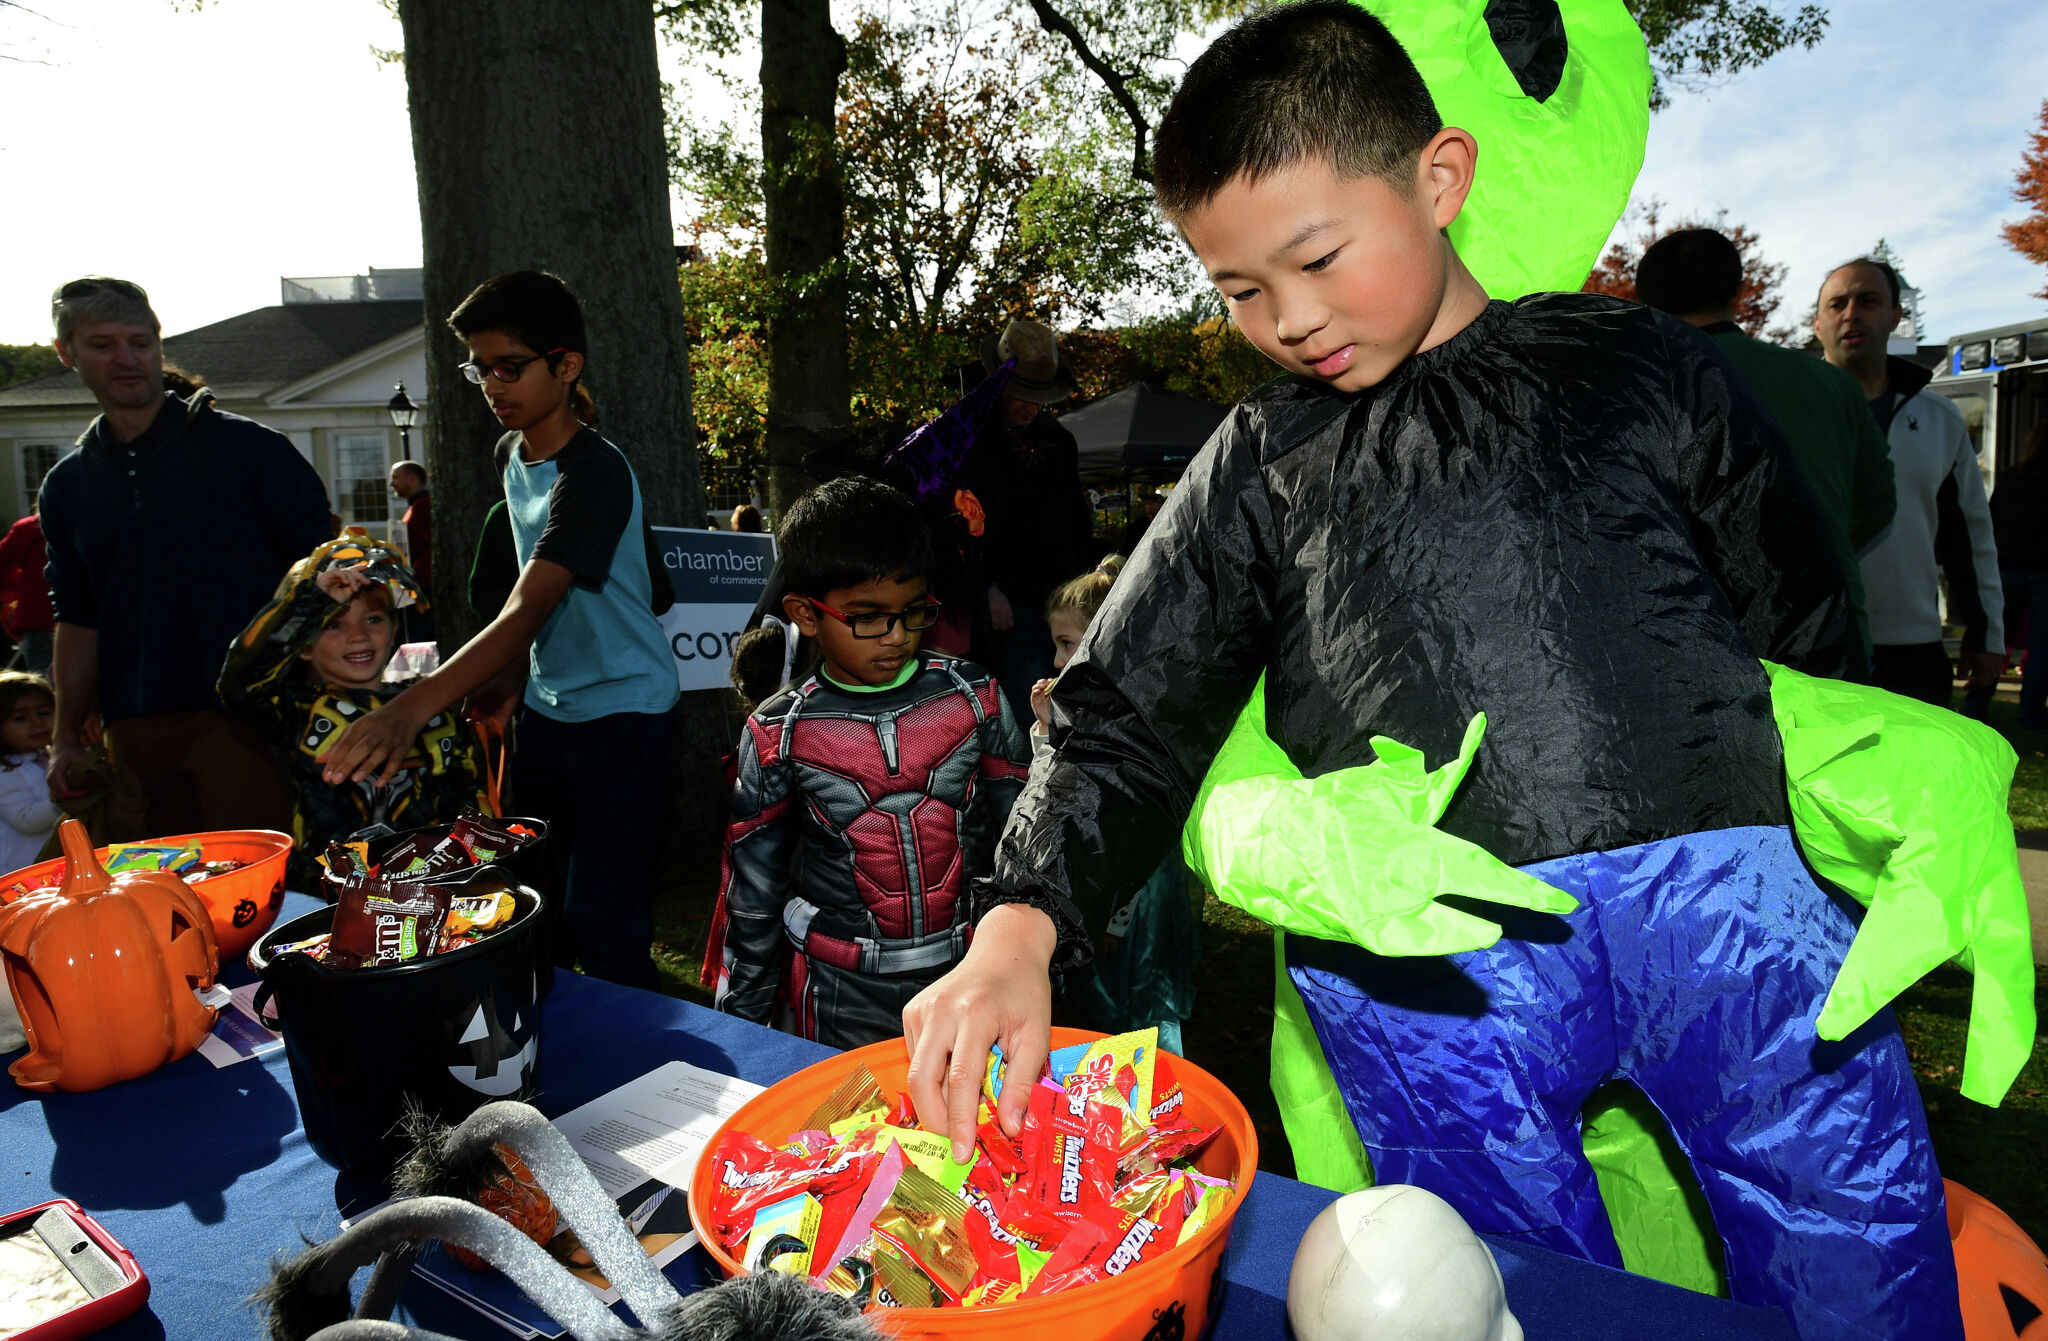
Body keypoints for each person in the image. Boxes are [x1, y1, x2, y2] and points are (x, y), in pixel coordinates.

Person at [900, 7, 1959, 1339]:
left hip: (1740, 937)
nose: (1285, 321)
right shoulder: (1259, 461)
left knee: (1858, 1260)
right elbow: (1124, 710)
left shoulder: (1646, 367)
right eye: (1234, 290)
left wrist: (1856, 829)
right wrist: (1021, 916)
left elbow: (1800, 624)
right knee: (1491, 1299)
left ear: (1439, 179)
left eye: (1316, 258)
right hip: (1436, 984)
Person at [318, 270, 680, 989]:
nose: (491, 385)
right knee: (532, 908)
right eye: (479, 368)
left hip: (628, 719)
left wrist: (415, 705)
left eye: (509, 367)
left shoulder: (597, 473)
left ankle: (639, 1082)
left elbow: (528, 609)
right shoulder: (511, 455)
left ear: (566, 364)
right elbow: (532, 600)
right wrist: (510, 682)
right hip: (549, 717)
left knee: (605, 922)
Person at [713, 478, 1030, 1049]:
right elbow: (752, 896)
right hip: (840, 993)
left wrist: (1033, 959)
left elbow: (1023, 837)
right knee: (848, 1134)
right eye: (867, 616)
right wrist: (741, 1029)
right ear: (804, 615)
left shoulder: (973, 697)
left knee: (975, 1129)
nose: (896, 635)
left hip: (968, 977)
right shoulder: (777, 732)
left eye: (913, 612)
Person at [39, 276, 332, 835]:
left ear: (158, 343)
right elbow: (76, 617)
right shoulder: (66, 485)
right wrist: (63, 738)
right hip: (133, 731)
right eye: (103, 344)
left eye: (140, 341)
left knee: (265, 900)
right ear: (66, 353)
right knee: (159, 907)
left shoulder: (252, 450)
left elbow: (325, 584)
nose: (127, 358)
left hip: (251, 723)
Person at [1635, 228, 1895, 667]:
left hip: (1689, 650)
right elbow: (1876, 505)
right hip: (1825, 637)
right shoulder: (1831, 384)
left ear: (1644, 299)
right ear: (1737, 291)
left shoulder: (1635, 387)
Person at [219, 534, 490, 889]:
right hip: (322, 897)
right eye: (334, 624)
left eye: (374, 619)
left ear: (394, 631)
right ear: (303, 647)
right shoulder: (297, 711)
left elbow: (473, 809)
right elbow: (239, 685)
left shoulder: (434, 712)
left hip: (431, 893)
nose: (358, 635)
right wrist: (310, 603)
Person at [1816, 258, 2003, 708]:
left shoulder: (1940, 419)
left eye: (1868, 300)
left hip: (1911, 644)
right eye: (1837, 304)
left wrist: (1985, 632)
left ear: (1896, 316)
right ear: (1818, 323)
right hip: (1811, 643)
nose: (1851, 313)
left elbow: (1969, 535)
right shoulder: (1785, 413)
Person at [1028, 556, 1198, 1053]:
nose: (1058, 661)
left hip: (1130, 894)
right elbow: (1047, 791)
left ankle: (1147, 1085)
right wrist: (1046, 726)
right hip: (1099, 883)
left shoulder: (1135, 722)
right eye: (1055, 644)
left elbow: (1136, 826)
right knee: (1103, 1000)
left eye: (1067, 644)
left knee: (1138, 998)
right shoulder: (1088, 708)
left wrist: (1116, 917)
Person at [961, 318, 1094, 721]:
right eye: (1021, 394)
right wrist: (987, 586)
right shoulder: (969, 439)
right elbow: (960, 521)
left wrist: (1092, 583)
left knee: (1071, 705)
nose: (1030, 406)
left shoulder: (1059, 438)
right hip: (1008, 605)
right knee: (1024, 708)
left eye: (1040, 396)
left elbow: (1075, 516)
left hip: (1064, 598)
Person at [1990, 422, 2048, 729]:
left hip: (2007, 565)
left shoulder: (2012, 476)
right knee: (2041, 646)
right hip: (2043, 570)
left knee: (1996, 640)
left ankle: (1976, 704)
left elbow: (1991, 519)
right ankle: (2031, 715)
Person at [0, 672, 60, 875]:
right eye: (20, 718)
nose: (36, 723)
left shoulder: (52, 756)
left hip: (53, 861)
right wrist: (66, 798)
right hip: (22, 868)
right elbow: (26, 819)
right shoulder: (5, 771)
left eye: (44, 713)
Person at [389, 459, 436, 646]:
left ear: (411, 479)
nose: (392, 483)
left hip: (421, 588)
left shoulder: (422, 507)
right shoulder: (416, 507)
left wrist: (414, 573)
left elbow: (433, 545)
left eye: (395, 478)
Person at [0, 514, 55, 674]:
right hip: (81, 620)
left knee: (43, 689)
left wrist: (23, 589)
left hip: (36, 619)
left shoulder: (26, 529)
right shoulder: (89, 520)